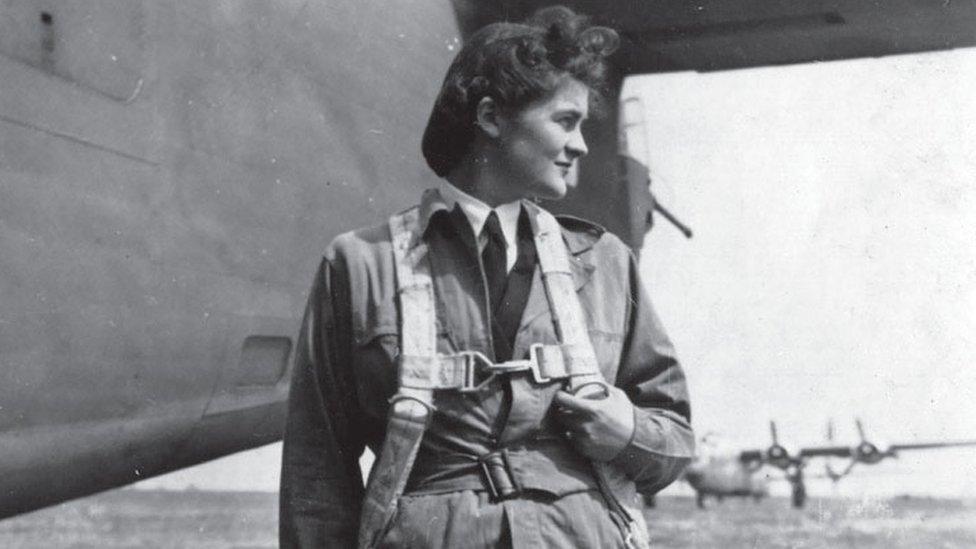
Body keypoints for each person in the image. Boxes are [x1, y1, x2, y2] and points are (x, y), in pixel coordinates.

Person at [280, 6, 694, 548]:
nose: (581, 145)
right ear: (492, 118)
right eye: (564, 121)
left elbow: (675, 438)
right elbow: (317, 475)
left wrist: (628, 434)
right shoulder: (360, 264)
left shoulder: (606, 263)